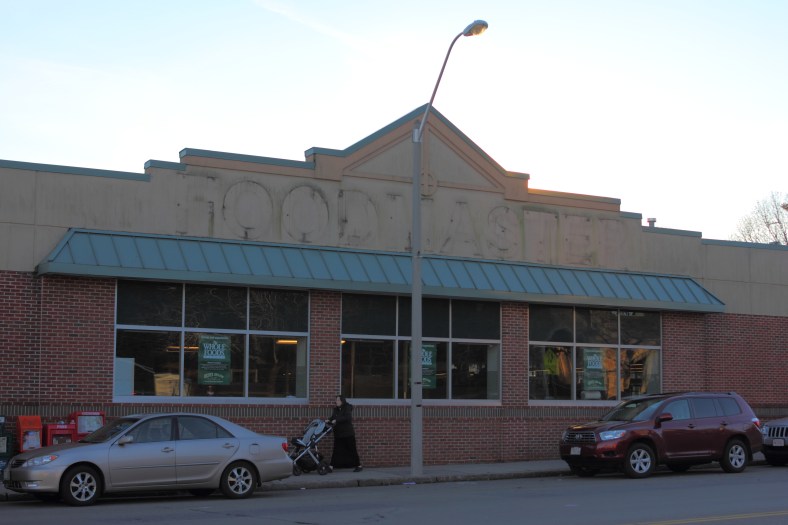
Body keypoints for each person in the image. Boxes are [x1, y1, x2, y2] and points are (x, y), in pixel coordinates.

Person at [328, 395, 362, 472]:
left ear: (342, 401)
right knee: (336, 450)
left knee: (352, 450)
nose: (336, 401)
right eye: (336, 400)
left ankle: (359, 466)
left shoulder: (347, 408)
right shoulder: (336, 409)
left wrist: (336, 420)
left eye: (337, 400)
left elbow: (347, 418)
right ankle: (331, 467)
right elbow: (333, 417)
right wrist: (328, 420)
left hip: (348, 434)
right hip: (338, 434)